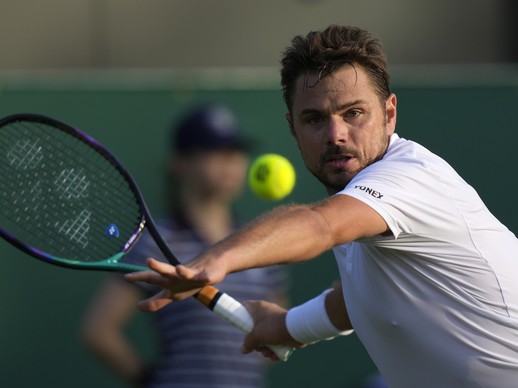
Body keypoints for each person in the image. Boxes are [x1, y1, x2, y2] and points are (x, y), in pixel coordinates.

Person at [125, 25, 518, 387]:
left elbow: (318, 226)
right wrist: (288, 326)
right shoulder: (361, 214)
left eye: (354, 113)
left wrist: (216, 259)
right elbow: (360, 298)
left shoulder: (409, 179)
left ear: (389, 113)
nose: (336, 135)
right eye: (314, 119)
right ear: (293, 129)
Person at [80, 103, 288, 388]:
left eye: (236, 151)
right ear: (180, 163)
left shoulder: (259, 242)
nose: (230, 161)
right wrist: (150, 381)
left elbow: (277, 321)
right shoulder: (155, 242)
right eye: (214, 150)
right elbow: (98, 330)